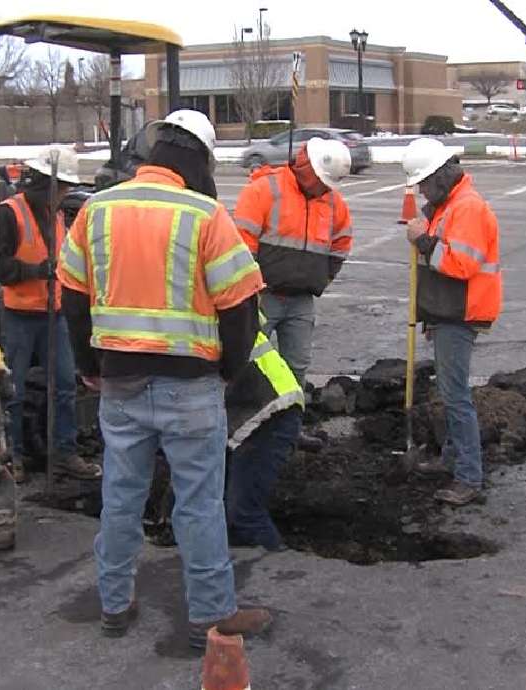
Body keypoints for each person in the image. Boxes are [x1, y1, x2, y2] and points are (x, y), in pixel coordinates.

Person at [57, 110, 272, 650]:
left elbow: (73, 298)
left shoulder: (97, 210)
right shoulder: (205, 214)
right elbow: (240, 306)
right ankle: (210, 618)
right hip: (191, 386)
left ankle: (114, 605)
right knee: (198, 504)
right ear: (199, 159)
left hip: (120, 385)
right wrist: (228, 371)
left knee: (121, 497)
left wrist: (88, 366)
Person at [401, 138, 503, 507]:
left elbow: (461, 265)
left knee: (457, 397)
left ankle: (468, 477)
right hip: (448, 312)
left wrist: (423, 240)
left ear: (441, 177)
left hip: (461, 313)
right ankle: (451, 459)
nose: (422, 191)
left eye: (425, 184)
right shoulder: (450, 205)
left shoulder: (468, 208)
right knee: (448, 393)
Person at [0, 147, 101, 481]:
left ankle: (64, 453)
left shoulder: (55, 215)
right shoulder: (10, 213)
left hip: (53, 314)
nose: (67, 194)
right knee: (14, 389)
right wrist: (39, 270)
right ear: (48, 185)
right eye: (64, 187)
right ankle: (13, 455)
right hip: (20, 315)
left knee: (66, 386)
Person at [232, 137, 354, 386]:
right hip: (262, 297)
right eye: (321, 180)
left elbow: (341, 244)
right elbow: (242, 244)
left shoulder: (332, 202)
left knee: (297, 364)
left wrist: (321, 279)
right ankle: (245, 416)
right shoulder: (264, 190)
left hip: (301, 300)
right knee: (247, 362)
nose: (323, 187)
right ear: (307, 169)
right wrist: (250, 291)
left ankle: (290, 419)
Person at [224, 329, 304, 552]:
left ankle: (278, 567)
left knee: (244, 512)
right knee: (218, 508)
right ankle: (236, 565)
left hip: (271, 414)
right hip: (248, 414)